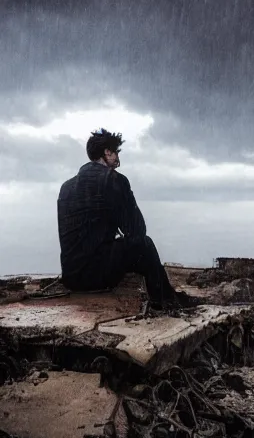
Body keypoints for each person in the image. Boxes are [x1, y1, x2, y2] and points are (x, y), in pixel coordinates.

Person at [57, 128, 198, 310]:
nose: (117, 159)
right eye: (115, 153)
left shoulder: (66, 187)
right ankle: (165, 301)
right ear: (107, 152)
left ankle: (165, 298)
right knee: (145, 244)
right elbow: (137, 231)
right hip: (96, 277)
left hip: (71, 276)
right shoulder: (114, 179)